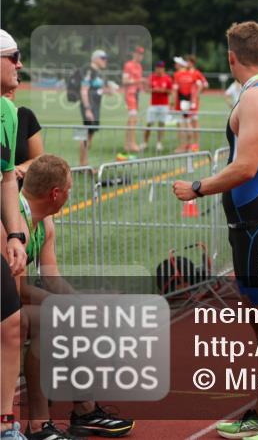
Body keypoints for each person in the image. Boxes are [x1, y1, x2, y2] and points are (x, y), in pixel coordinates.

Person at [173, 22, 258, 440]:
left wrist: (196, 187)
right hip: (251, 230)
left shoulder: (256, 98)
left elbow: (247, 166)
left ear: (232, 58)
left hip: (257, 231)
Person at [18, 155, 135, 440]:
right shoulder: (13, 222)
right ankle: (38, 426)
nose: (71, 195)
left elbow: (52, 277)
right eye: (70, 189)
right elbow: (14, 286)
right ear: (55, 194)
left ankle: (85, 411)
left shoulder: (44, 224)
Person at [0, 29, 28, 440]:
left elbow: (6, 179)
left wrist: (16, 235)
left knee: (11, 324)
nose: (20, 64)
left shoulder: (8, 112)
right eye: (14, 56)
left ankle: (5, 424)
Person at [2, 86, 42, 189]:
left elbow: (38, 158)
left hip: (17, 194)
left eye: (16, 81)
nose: (11, 88)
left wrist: (21, 168)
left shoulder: (25, 115)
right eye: (4, 82)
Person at [79, 49, 110, 167]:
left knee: (90, 133)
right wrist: (87, 109)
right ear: (95, 59)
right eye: (103, 58)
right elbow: (84, 90)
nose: (105, 60)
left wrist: (108, 90)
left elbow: (96, 89)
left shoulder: (97, 72)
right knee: (86, 133)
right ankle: (83, 164)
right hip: (89, 107)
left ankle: (85, 163)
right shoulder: (89, 71)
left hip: (95, 106)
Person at [144, 61, 172, 153]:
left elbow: (170, 91)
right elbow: (147, 89)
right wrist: (154, 90)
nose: (159, 69)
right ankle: (145, 142)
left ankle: (159, 143)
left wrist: (163, 90)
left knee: (161, 124)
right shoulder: (152, 77)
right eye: (157, 67)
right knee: (149, 123)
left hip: (164, 104)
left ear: (163, 69)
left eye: (161, 68)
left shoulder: (167, 78)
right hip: (153, 104)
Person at [122, 46, 145, 154]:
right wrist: (138, 80)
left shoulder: (139, 66)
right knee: (133, 118)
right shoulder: (128, 65)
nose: (140, 56)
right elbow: (125, 80)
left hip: (136, 94)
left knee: (132, 120)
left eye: (141, 54)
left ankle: (128, 143)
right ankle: (132, 143)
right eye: (138, 54)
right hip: (130, 94)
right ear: (134, 54)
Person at [186, 55, 208, 152]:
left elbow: (205, 84)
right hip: (185, 101)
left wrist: (197, 94)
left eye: (188, 62)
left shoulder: (196, 73)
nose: (187, 64)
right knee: (187, 122)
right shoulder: (185, 73)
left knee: (193, 122)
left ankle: (195, 144)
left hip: (193, 102)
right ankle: (189, 144)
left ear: (192, 63)